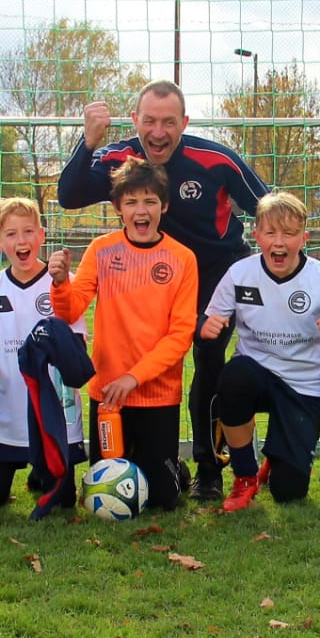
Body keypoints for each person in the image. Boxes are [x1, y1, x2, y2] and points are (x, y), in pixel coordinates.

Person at [57, 80, 266, 501]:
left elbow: (267, 206)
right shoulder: (119, 158)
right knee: (145, 357)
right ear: (135, 121)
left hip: (213, 273)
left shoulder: (217, 160)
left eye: (168, 122)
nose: (158, 132)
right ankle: (147, 451)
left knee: (208, 361)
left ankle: (210, 469)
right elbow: (69, 195)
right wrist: (87, 142)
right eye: (149, 121)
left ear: (184, 123)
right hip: (151, 271)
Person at [200, 191, 320, 511]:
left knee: (289, 492)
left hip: (301, 384)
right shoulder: (240, 274)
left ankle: (277, 460)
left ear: (304, 238)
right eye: (271, 232)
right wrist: (205, 328)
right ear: (257, 236)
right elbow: (208, 321)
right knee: (233, 377)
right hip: (256, 372)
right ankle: (245, 476)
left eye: (289, 234)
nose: (279, 242)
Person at [49, 159, 199, 515]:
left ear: (164, 205)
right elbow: (69, 311)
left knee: (162, 500)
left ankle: (175, 467)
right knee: (108, 484)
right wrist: (59, 284)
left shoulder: (182, 259)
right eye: (131, 202)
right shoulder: (101, 251)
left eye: (149, 201)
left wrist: (135, 377)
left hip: (157, 394)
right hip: (109, 395)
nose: (140, 210)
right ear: (118, 209)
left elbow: (180, 335)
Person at [0, 197, 88, 509]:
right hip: (6, 413)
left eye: (28, 231)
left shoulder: (63, 283)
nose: (21, 240)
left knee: (63, 503)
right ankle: (33, 469)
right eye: (11, 234)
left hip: (55, 415)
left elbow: (78, 348)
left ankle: (43, 470)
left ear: (41, 235)